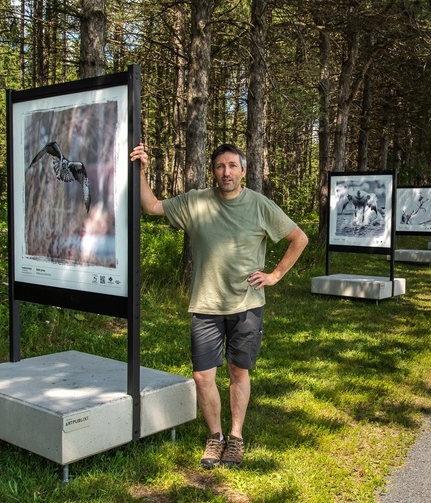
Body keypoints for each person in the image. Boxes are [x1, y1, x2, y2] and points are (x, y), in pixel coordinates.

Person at [130, 142, 308, 469]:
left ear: (243, 170)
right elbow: (152, 206)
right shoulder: (196, 202)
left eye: (232, 166)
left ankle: (236, 437)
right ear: (213, 171)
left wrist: (275, 275)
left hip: (247, 304)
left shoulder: (259, 205)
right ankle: (216, 437)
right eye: (219, 166)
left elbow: (299, 238)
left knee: (238, 371)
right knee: (202, 376)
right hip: (206, 305)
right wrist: (141, 170)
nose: (226, 172)